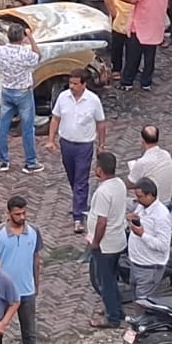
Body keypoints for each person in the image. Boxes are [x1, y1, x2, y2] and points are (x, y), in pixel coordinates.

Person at [47, 70, 106, 232]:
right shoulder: (63, 97)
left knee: (81, 180)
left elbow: (100, 123)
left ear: (84, 84)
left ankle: (78, 216)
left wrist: (101, 144)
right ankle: (79, 203)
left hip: (84, 146)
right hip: (66, 144)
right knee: (73, 177)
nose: (72, 86)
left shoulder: (93, 100)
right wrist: (51, 140)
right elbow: (56, 118)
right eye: (70, 83)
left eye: (75, 83)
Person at [0, 196, 43, 344]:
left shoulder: (34, 231)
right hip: (3, 292)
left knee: (29, 333)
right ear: (8, 213)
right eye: (17, 214)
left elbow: (36, 259)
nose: (22, 217)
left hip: (26, 291)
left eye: (24, 213)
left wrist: (36, 285)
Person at [84, 153, 127, 329]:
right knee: (111, 279)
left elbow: (102, 221)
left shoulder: (103, 192)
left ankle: (112, 317)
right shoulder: (120, 184)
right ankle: (116, 309)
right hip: (117, 240)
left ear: (100, 170)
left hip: (105, 244)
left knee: (105, 282)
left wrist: (95, 241)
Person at [0, 23, 43, 173]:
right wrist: (31, 38)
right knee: (27, 128)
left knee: (3, 126)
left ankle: (3, 161)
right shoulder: (24, 53)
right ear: (22, 37)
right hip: (23, 92)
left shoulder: (0, 51)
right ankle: (30, 162)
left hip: (7, 90)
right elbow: (38, 56)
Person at [122, 0, 169, 91]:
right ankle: (146, 82)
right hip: (156, 22)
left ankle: (127, 82)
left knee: (133, 56)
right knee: (150, 57)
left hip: (141, 24)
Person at [125, 177, 172, 300]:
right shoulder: (142, 206)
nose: (137, 199)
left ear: (150, 195)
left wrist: (142, 235)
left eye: (140, 196)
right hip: (136, 263)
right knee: (136, 297)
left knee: (144, 302)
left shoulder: (161, 216)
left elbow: (163, 245)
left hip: (149, 268)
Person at [102, 0, 138, 81]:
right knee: (118, 44)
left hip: (135, 13)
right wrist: (112, 11)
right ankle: (116, 68)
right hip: (120, 12)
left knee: (132, 43)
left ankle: (130, 67)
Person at [126, 125, 172, 201]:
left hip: (152, 204)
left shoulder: (142, 162)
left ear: (143, 140)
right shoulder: (166, 155)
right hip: (167, 200)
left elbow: (129, 184)